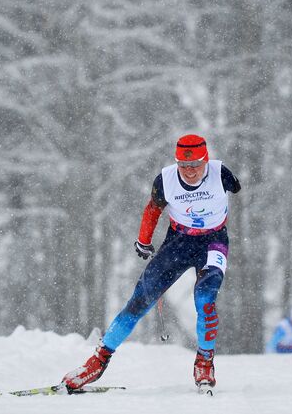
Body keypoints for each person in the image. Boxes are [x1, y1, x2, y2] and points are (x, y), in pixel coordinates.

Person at [61, 134, 241, 392]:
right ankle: (97, 362)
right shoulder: (166, 179)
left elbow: (237, 187)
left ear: (206, 161)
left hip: (214, 241)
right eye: (183, 165)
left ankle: (204, 362)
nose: (189, 172)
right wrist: (143, 240)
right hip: (178, 241)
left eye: (195, 166)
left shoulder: (221, 173)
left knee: (205, 301)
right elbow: (153, 209)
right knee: (140, 300)